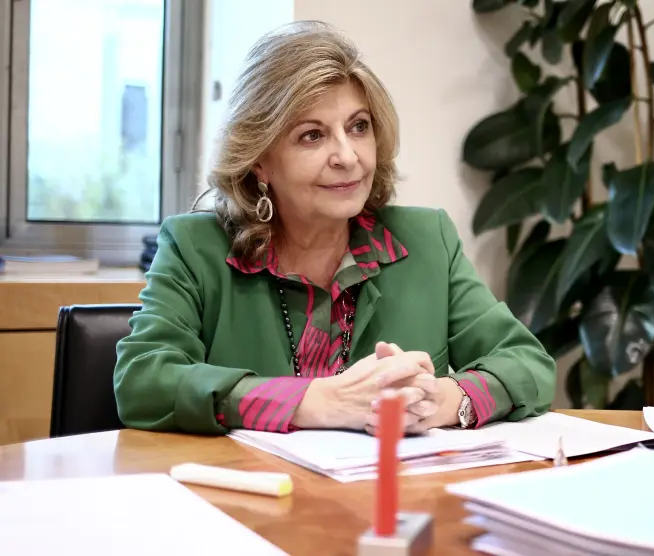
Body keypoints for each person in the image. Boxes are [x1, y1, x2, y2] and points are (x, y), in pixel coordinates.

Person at [112, 21, 556, 436]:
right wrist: (313, 402)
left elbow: (528, 363)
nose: (348, 156)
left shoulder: (428, 241)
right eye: (313, 135)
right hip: (253, 489)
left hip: (393, 489)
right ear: (259, 160)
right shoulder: (194, 249)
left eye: (358, 127)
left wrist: (446, 400)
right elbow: (143, 381)